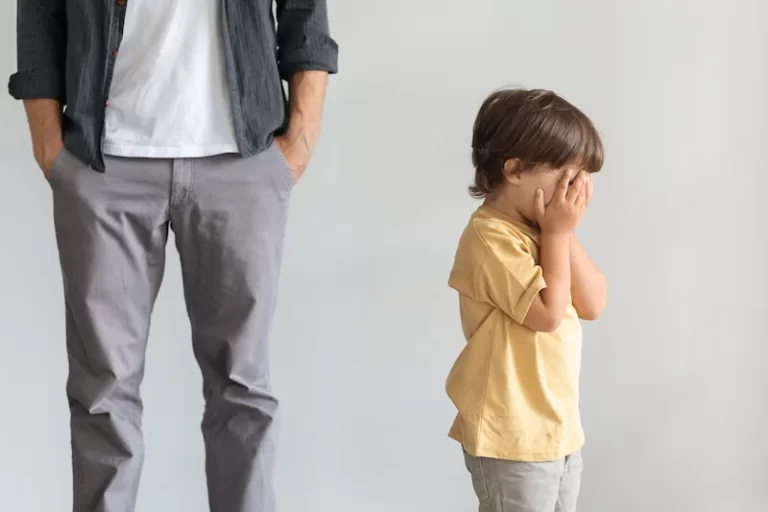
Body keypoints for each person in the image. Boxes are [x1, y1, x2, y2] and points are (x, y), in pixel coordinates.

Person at [9, 0, 337, 510]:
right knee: (103, 394)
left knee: (242, 387)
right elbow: (40, 12)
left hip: (241, 158)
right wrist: (48, 140)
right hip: (103, 164)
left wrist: (301, 136)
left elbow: (305, 11)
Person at [446, 88, 607, 512]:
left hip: (558, 430)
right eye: (566, 179)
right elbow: (548, 314)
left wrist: (560, 233)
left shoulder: (546, 232)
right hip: (511, 435)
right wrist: (555, 234)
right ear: (515, 170)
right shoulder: (489, 236)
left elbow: (592, 303)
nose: (573, 194)